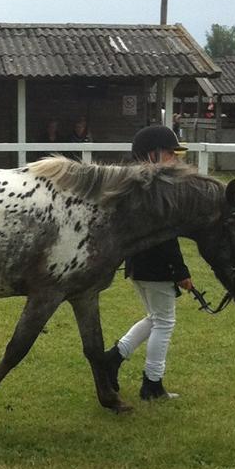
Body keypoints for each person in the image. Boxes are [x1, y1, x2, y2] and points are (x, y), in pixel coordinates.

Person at [101, 125, 193, 401]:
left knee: (156, 318)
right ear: (152, 155)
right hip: (156, 266)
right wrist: (181, 272)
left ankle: (114, 357)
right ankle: (152, 383)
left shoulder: (138, 185)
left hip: (139, 264)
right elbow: (166, 239)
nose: (176, 160)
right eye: (170, 154)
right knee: (165, 322)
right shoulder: (156, 189)